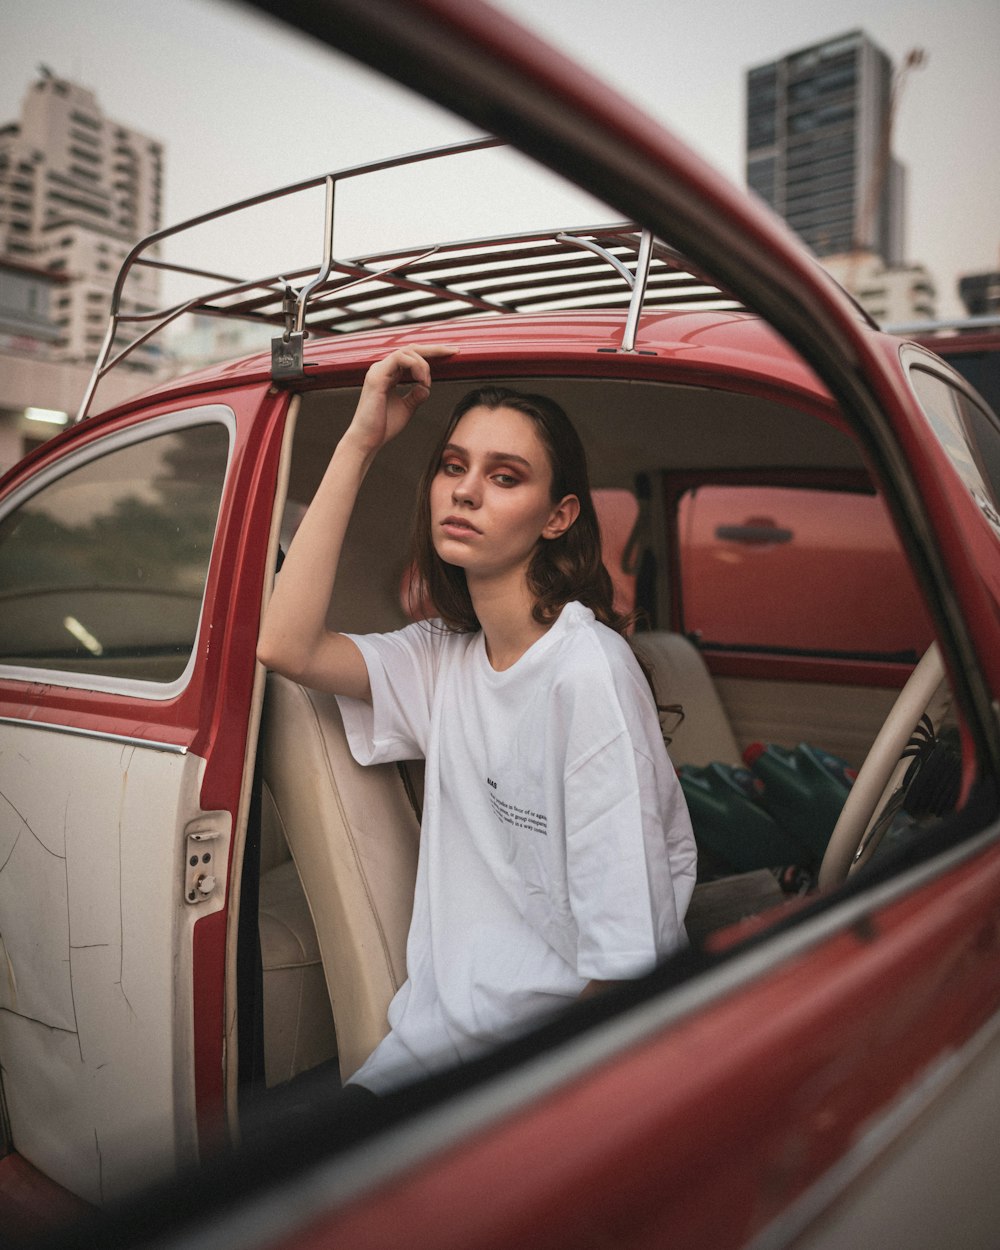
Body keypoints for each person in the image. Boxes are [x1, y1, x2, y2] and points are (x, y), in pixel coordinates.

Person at [257, 345, 696, 1095]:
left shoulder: (586, 672)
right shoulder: (443, 657)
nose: (464, 493)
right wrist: (362, 440)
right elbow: (284, 645)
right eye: (452, 467)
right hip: (424, 1049)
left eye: (504, 477)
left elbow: (626, 965)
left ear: (559, 517)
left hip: (541, 1074)